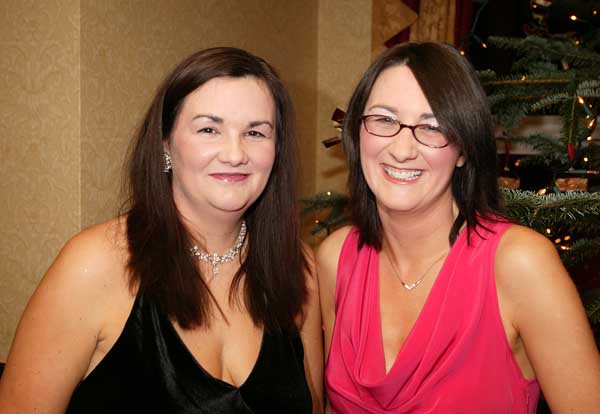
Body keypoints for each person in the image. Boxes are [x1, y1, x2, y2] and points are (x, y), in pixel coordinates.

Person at [0, 47, 323, 414]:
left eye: (255, 132)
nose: (235, 154)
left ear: (277, 150)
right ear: (166, 144)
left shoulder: (298, 267)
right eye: (209, 129)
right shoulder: (95, 264)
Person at [317, 42, 600, 413]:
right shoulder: (336, 258)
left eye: (432, 126)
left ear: (464, 148)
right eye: (384, 120)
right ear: (357, 133)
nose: (402, 149)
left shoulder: (519, 263)